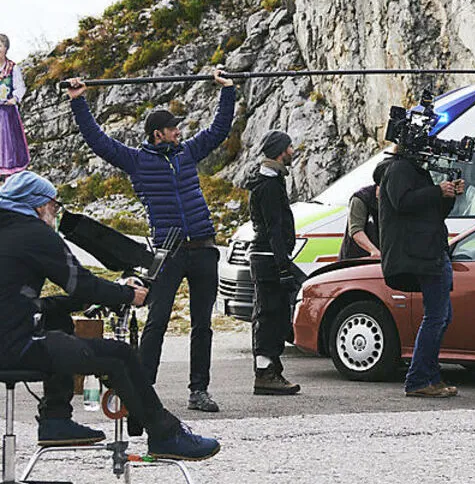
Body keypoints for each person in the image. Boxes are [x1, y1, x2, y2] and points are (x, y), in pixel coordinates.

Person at [0, 172, 219, 460]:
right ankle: (166, 436)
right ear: (39, 205)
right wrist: (127, 294)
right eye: (54, 206)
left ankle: (56, 419)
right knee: (120, 355)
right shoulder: (35, 234)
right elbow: (81, 283)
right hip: (15, 348)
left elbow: (20, 300)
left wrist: (81, 301)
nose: (56, 214)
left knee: (57, 321)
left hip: (9, 336)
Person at [66, 72, 234, 413]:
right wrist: (78, 101)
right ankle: (143, 390)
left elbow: (218, 131)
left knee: (202, 325)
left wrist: (227, 92)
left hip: (204, 247)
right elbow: (98, 141)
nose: (178, 132)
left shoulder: (187, 152)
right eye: (173, 128)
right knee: (157, 322)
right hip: (168, 252)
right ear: (158, 134)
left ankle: (199, 391)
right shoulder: (137, 161)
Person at [377, 147, 463, 398]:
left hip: (431, 251)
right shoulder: (399, 169)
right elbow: (402, 202)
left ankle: (430, 378)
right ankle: (418, 380)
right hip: (423, 254)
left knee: (442, 317)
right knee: (436, 317)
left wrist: (448, 195)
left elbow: (433, 213)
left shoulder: (412, 171)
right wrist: (438, 191)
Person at [246, 131, 304, 395]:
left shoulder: (271, 180)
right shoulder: (269, 185)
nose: (292, 151)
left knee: (276, 313)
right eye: (289, 147)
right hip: (268, 258)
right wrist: (283, 266)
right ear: (281, 151)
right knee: (269, 315)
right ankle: (265, 373)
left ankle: (272, 369)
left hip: (269, 257)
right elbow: (274, 229)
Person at [338, 167, 383, 261]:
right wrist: (373, 250)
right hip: (356, 258)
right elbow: (356, 231)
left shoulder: (395, 201)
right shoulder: (360, 199)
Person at [0, 34, 30, 175]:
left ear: (6, 48)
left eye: (0, 46)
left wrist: (15, 98)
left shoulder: (12, 68)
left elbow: (20, 87)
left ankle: (9, 172)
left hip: (7, 112)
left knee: (9, 142)